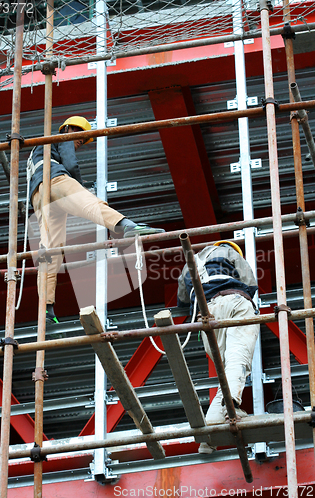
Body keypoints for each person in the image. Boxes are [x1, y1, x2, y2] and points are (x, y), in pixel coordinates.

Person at [28, 116, 165, 324]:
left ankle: (45, 307)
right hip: (56, 180)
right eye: (80, 139)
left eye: (81, 142)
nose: (78, 143)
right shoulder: (61, 136)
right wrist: (79, 184)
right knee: (90, 204)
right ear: (70, 129)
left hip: (38, 195)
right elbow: (70, 162)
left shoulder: (36, 149)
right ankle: (126, 226)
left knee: (50, 251)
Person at [177, 240, 260, 453]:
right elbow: (250, 283)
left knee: (226, 371)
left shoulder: (189, 263)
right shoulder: (229, 252)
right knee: (238, 358)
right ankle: (232, 407)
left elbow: (182, 299)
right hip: (234, 302)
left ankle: (208, 437)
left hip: (207, 314)